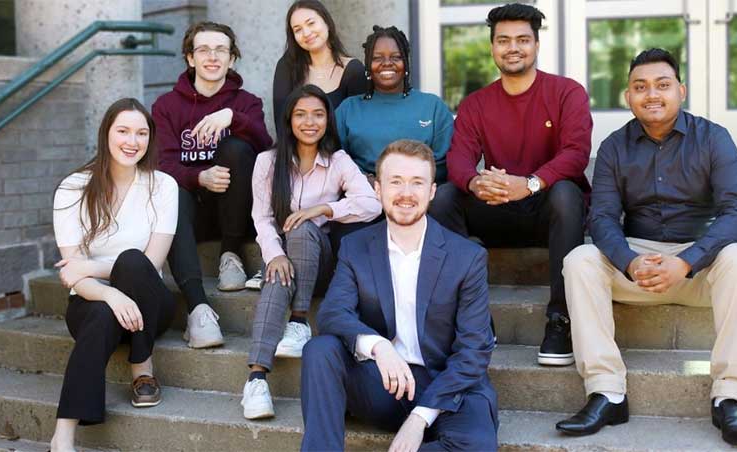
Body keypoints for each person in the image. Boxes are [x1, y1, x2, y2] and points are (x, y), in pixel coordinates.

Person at [557, 49, 737, 447]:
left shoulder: (713, 137)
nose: (652, 94)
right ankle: (607, 392)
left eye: (662, 85)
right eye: (640, 87)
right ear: (628, 96)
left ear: (681, 91)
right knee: (580, 260)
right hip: (639, 262)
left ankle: (730, 396)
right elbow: (600, 218)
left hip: (699, 266)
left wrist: (686, 262)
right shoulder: (615, 147)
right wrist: (630, 262)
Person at [300, 140, 498, 451]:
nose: (406, 193)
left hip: (448, 386)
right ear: (377, 189)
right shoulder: (355, 246)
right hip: (382, 382)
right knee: (320, 349)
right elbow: (332, 313)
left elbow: (474, 350)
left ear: (432, 191)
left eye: (417, 182)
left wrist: (419, 418)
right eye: (395, 181)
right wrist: (378, 347)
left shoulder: (467, 257)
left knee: (476, 445)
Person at [428, 3, 591, 367]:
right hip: (497, 209)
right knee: (444, 199)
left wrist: (530, 183)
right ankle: (473, 317)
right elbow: (458, 158)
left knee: (567, 192)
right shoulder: (475, 104)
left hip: (548, 211)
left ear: (536, 44)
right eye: (503, 40)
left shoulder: (567, 93)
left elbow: (576, 154)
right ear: (492, 48)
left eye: (522, 40)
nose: (512, 48)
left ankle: (560, 320)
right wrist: (475, 182)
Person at [242, 84, 381, 420]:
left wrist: (324, 210)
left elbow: (372, 203)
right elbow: (261, 217)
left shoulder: (338, 161)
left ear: (327, 120)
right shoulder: (267, 162)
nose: (310, 122)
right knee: (276, 277)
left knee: (304, 228)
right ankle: (256, 379)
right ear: (289, 120)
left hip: (322, 265)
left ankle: (300, 319)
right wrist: (274, 254)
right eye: (301, 114)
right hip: (284, 258)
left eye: (318, 114)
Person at [49, 98, 179, 452]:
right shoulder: (73, 188)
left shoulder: (163, 186)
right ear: (106, 134)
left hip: (148, 304)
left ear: (150, 140)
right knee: (101, 315)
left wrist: (91, 266)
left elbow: (151, 265)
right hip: (93, 301)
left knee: (135, 262)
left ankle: (141, 367)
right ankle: (63, 436)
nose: (132, 141)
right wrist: (110, 293)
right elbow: (71, 277)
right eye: (123, 131)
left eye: (141, 133)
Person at [152, 22, 273, 349]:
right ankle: (198, 308)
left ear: (232, 58)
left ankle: (230, 255)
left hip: (235, 208)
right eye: (204, 49)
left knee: (236, 148)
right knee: (171, 192)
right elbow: (164, 165)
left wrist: (234, 118)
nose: (212, 57)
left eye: (221, 50)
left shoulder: (247, 102)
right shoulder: (166, 106)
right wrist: (198, 177)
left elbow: (265, 152)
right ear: (190, 58)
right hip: (193, 210)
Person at [335, 25, 454, 185]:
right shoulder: (348, 109)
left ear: (406, 63)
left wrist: (404, 183)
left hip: (421, 197)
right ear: (368, 65)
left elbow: (444, 162)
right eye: (377, 58)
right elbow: (336, 159)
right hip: (365, 195)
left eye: (396, 57)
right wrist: (368, 181)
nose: (387, 63)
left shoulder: (433, 107)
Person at [272, 0, 368, 134]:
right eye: (298, 29)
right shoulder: (287, 67)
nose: (306, 33)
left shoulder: (353, 70)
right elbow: (282, 125)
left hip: (340, 153)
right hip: (295, 152)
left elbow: (358, 130)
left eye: (311, 23)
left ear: (327, 23)